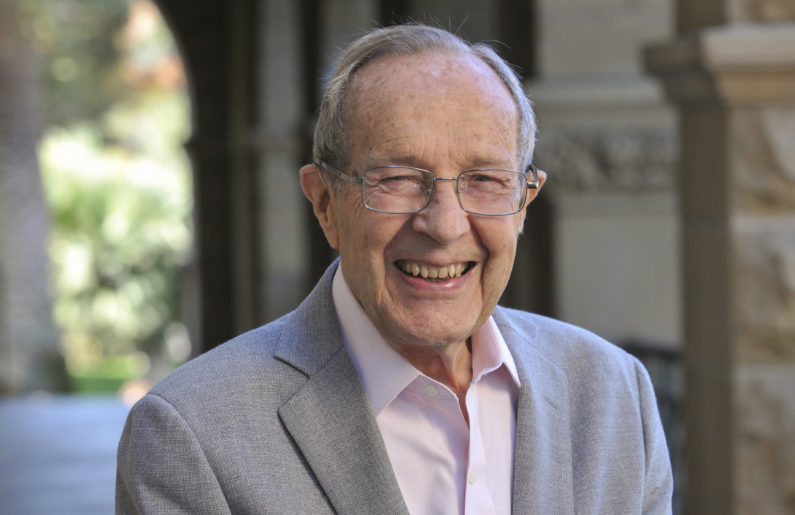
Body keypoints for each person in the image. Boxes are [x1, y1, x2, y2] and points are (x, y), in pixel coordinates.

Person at [116, 23, 673, 514]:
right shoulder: (191, 434)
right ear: (325, 203)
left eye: (484, 179)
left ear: (524, 201)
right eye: (399, 178)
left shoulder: (616, 394)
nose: (445, 224)